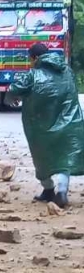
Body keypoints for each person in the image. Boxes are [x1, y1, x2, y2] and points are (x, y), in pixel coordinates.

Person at [8, 42, 84, 208]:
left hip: (41, 126)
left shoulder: (33, 74)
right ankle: (62, 192)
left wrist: (13, 98)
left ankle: (48, 189)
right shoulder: (68, 71)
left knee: (41, 157)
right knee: (65, 157)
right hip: (70, 122)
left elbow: (13, 90)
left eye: (30, 59)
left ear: (35, 58)